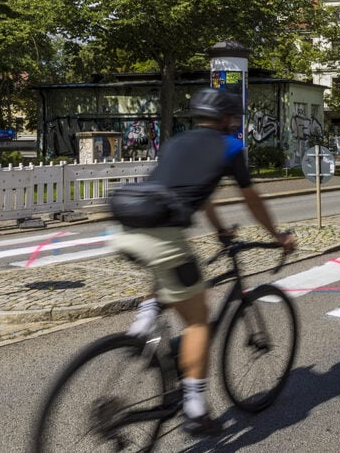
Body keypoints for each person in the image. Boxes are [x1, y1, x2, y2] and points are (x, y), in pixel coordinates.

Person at [110, 87, 294, 437]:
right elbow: (252, 199)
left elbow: (200, 194)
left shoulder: (177, 143)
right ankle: (194, 408)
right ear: (226, 119)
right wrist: (277, 237)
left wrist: (222, 231)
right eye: (234, 119)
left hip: (127, 226)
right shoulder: (230, 147)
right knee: (197, 320)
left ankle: (146, 318)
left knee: (170, 269)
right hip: (163, 234)